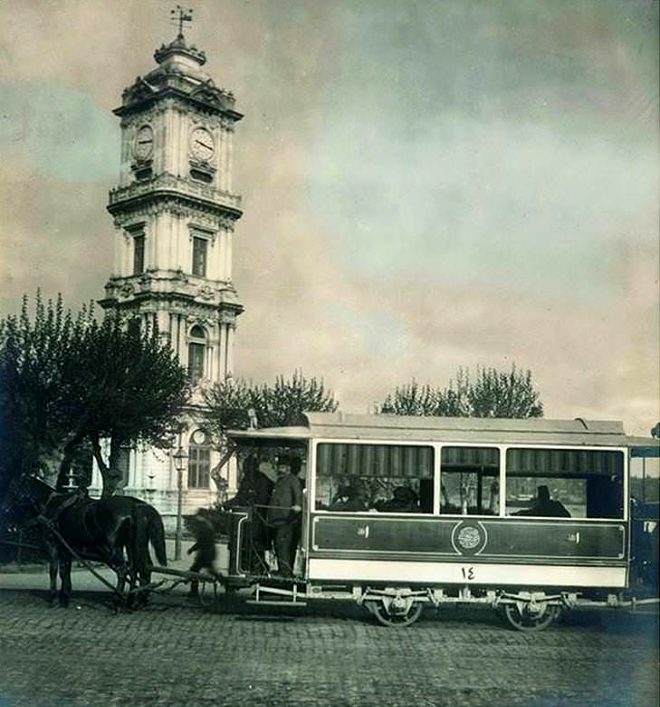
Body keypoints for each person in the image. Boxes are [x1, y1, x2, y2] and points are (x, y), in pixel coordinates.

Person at [267, 455, 303, 577]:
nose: (280, 469)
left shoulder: (292, 479)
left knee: (284, 546)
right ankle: (283, 570)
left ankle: (286, 572)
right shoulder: (280, 481)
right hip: (277, 521)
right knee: (279, 545)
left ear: (288, 468)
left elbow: (298, 494)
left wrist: (297, 505)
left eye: (283, 467)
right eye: (280, 467)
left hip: (287, 520)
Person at [185, 508, 219, 597]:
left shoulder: (205, 527)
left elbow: (201, 542)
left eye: (198, 516)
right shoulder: (207, 525)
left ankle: (194, 592)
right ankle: (224, 582)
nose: (197, 518)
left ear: (201, 517)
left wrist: (192, 549)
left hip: (206, 553)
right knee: (209, 570)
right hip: (208, 552)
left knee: (194, 571)